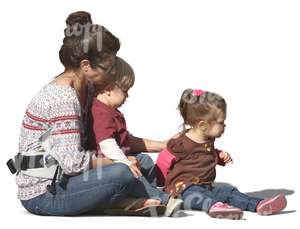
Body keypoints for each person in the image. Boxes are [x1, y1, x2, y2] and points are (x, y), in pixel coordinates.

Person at [8, 11, 163, 216]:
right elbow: (73, 164)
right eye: (109, 66)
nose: (113, 72)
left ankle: (131, 200)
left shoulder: (88, 91)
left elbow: (112, 137)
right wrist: (121, 161)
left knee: (140, 161)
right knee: (122, 171)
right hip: (45, 193)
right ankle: (156, 199)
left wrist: (165, 145)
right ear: (86, 65)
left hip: (69, 180)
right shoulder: (63, 98)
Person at [161, 88, 287, 219]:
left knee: (228, 192)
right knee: (196, 194)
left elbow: (200, 154)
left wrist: (218, 154)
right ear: (203, 125)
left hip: (206, 187)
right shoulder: (180, 143)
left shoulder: (207, 139)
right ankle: (215, 207)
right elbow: (164, 160)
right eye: (221, 122)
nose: (225, 125)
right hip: (182, 190)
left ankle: (258, 204)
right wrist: (159, 182)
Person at [89, 56, 183, 216]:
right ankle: (161, 197)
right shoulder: (100, 112)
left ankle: (153, 189)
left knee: (144, 160)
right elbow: (107, 144)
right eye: (125, 91)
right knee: (132, 170)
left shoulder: (111, 110)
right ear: (108, 89)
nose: (127, 96)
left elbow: (125, 140)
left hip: (118, 157)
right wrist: (125, 163)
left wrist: (164, 144)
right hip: (105, 164)